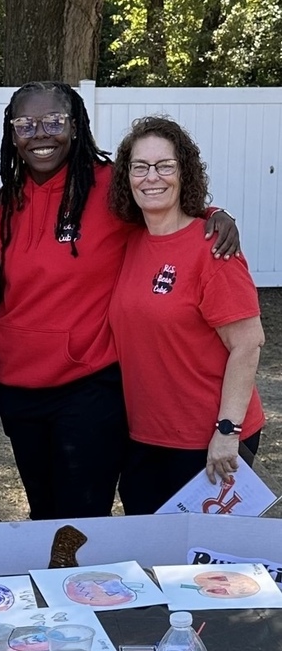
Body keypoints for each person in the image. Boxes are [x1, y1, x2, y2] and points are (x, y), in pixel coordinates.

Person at [0, 81, 240, 521]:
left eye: (54, 122)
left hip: (88, 386)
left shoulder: (106, 186)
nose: (41, 134)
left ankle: (83, 589)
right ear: (13, 135)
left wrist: (213, 213)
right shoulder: (7, 199)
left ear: (76, 126)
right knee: (42, 512)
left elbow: (160, 196)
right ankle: (52, 585)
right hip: (18, 387)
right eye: (26, 124)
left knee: (82, 519)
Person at [108, 116, 265, 515]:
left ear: (185, 172)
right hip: (144, 436)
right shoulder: (130, 241)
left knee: (201, 572)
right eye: (140, 167)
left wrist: (227, 432)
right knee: (150, 556)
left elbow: (247, 343)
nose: (151, 177)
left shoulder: (213, 247)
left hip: (209, 439)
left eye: (165, 166)